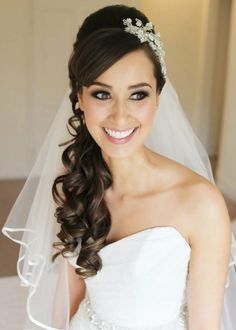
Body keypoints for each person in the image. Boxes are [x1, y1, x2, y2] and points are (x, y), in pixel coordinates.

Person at [2, 4, 236, 330]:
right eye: (102, 94)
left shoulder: (201, 204)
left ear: (158, 98)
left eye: (138, 95)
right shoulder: (76, 184)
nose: (121, 116)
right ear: (79, 98)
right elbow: (69, 296)